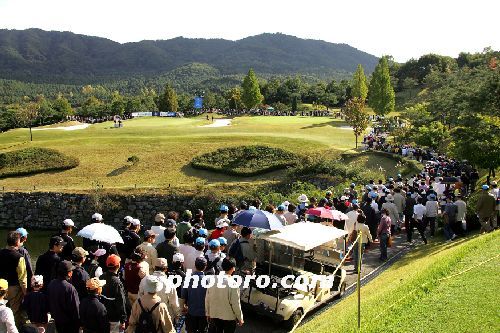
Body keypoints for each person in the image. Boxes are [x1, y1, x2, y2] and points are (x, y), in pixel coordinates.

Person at [205, 258, 244, 333]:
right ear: (233, 268)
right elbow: (236, 303)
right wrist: (240, 318)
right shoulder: (233, 284)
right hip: (229, 317)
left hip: (215, 314)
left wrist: (208, 313)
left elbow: (207, 298)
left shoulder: (212, 280)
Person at [0, 231, 27, 327]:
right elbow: (22, 278)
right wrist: (25, 292)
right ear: (17, 242)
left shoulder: (0, 253)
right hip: (14, 288)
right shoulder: (19, 257)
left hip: (1, 286)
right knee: (14, 311)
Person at [139, 258, 180, 322]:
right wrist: (177, 315)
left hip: (147, 317)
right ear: (166, 269)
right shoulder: (169, 283)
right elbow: (174, 303)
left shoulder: (144, 280)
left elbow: (140, 297)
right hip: (164, 317)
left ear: (155, 268)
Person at [47, 260, 80, 333]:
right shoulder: (70, 288)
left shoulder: (51, 284)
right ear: (69, 273)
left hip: (57, 321)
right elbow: (75, 309)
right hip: (69, 324)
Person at [100, 255, 127, 333]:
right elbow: (121, 302)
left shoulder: (102, 277)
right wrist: (123, 320)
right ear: (118, 265)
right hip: (114, 317)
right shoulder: (117, 282)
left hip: (103, 314)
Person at [181, 257, 208, 333]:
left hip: (191, 311)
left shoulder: (188, 279)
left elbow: (183, 296)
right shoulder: (208, 280)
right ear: (205, 266)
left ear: (195, 266)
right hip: (204, 313)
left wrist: (182, 308)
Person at [15, 228, 33, 293]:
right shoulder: (23, 251)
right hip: (21, 283)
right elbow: (29, 267)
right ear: (24, 238)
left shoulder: (10, 249)